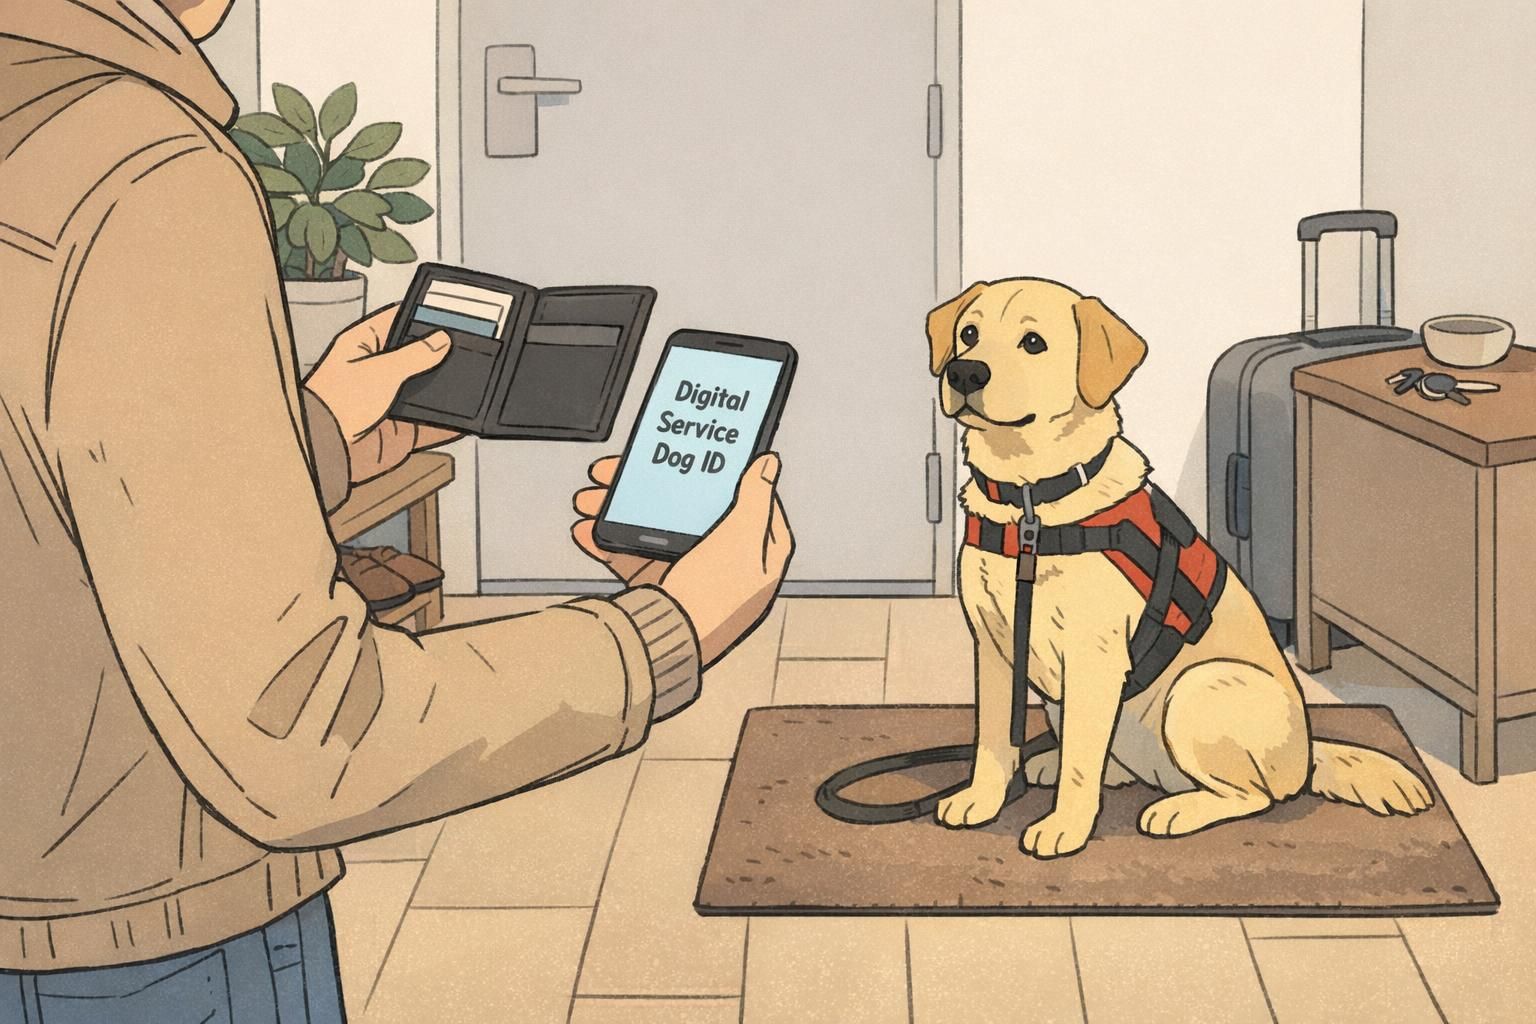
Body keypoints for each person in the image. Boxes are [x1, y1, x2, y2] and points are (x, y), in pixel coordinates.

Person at [0, 2, 793, 1020]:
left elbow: (43, 500)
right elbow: (306, 731)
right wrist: (666, 629)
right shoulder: (138, 174)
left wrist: (308, 439)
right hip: (141, 943)